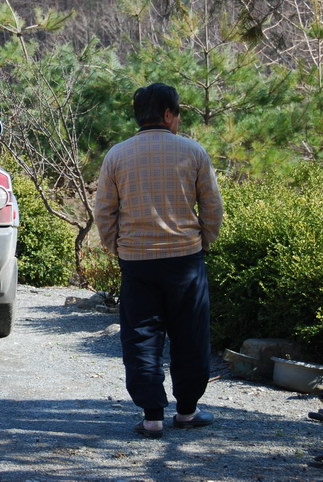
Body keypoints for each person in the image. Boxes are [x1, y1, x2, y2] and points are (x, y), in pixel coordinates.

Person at [94, 83, 224, 439]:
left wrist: (115, 247)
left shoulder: (117, 155)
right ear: (168, 115)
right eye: (178, 113)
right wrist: (205, 242)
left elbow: (104, 211)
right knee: (190, 336)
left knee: (141, 337)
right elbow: (212, 208)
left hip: (137, 261)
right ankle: (186, 411)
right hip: (185, 260)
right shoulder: (193, 152)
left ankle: (152, 416)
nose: (178, 120)